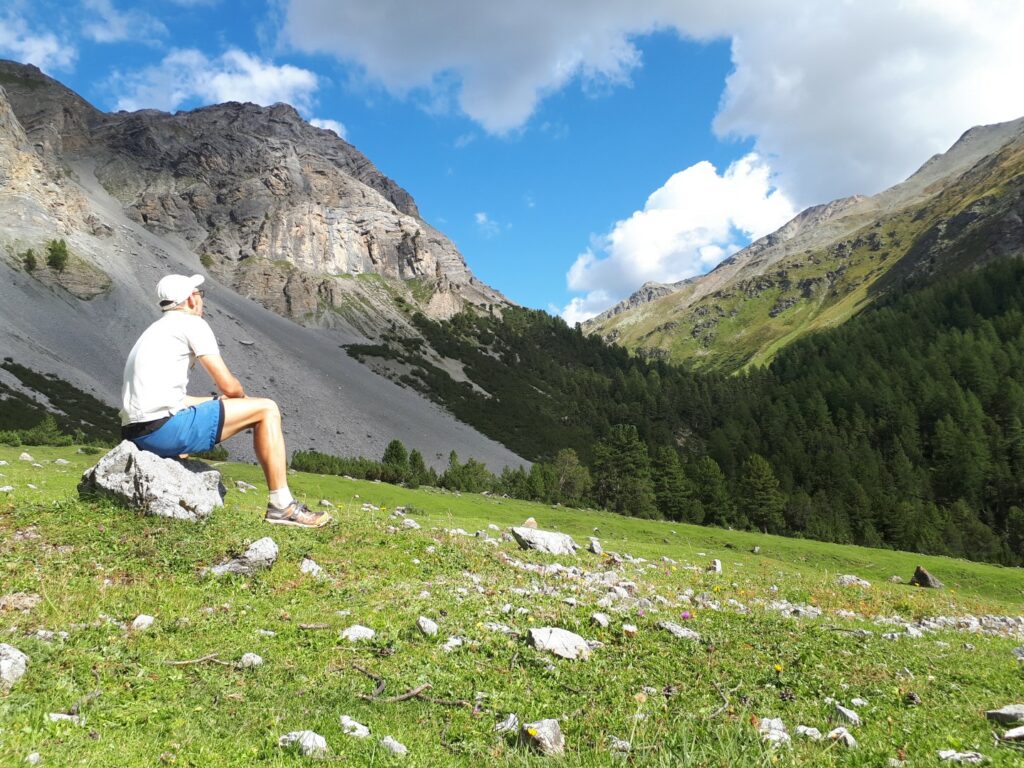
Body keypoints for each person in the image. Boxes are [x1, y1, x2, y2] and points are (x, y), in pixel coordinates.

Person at [119, 273, 332, 528]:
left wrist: (212, 402)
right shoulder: (191, 324)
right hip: (162, 432)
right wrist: (241, 402)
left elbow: (174, 399)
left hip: (136, 434)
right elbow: (229, 386)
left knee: (243, 409)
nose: (201, 300)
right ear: (189, 300)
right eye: (199, 295)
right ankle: (282, 506)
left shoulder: (155, 330)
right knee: (267, 409)